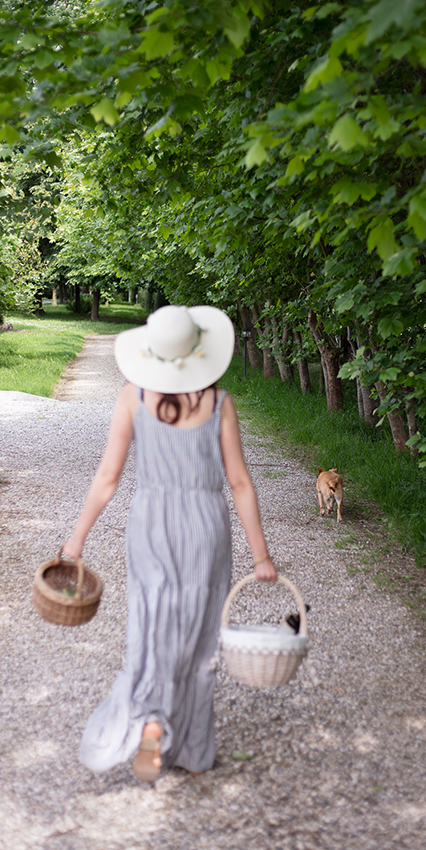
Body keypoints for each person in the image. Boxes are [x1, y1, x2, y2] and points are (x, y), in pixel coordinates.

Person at [62, 304, 277, 782]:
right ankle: (193, 750)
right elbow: (240, 483)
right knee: (200, 636)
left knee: (151, 623)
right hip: (205, 527)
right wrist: (261, 556)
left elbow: (107, 477)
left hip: (152, 525)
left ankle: (150, 720)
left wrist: (75, 542)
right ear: (199, 352)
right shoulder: (219, 403)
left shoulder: (133, 396)